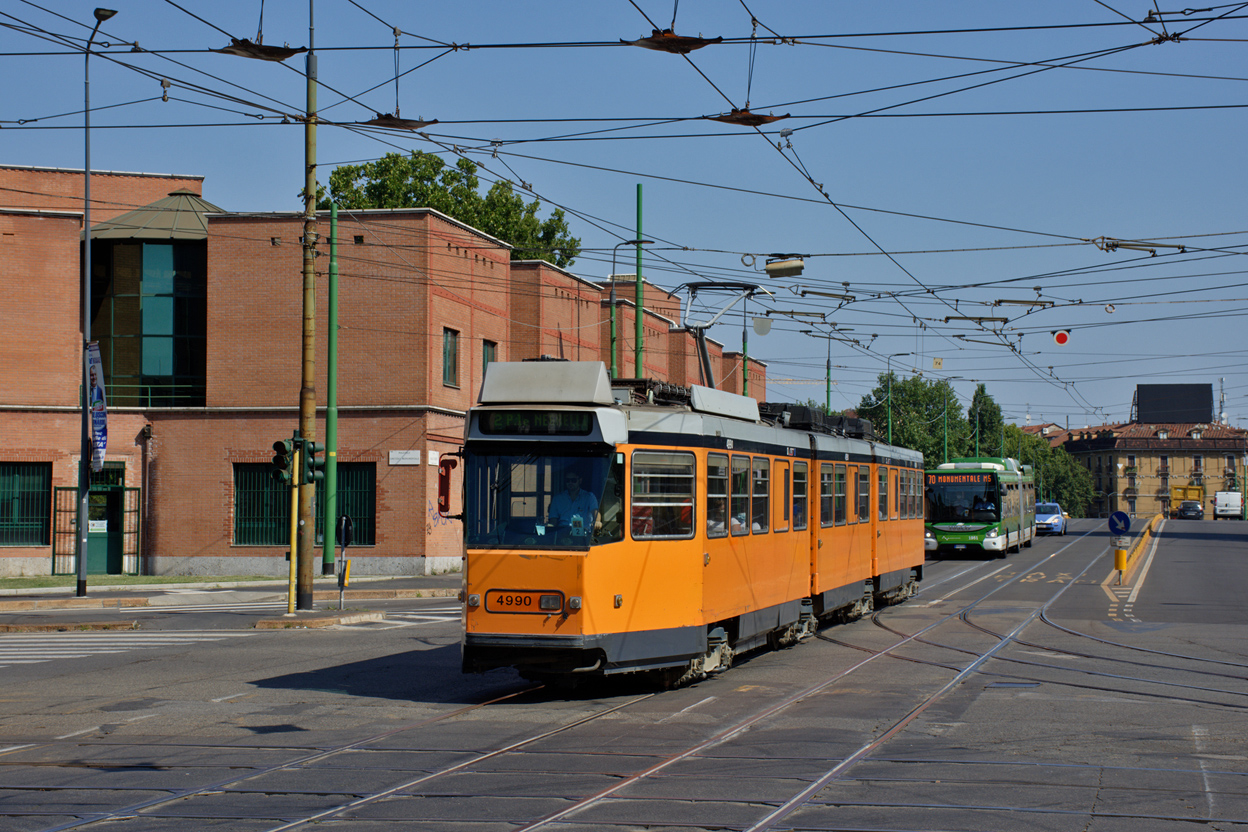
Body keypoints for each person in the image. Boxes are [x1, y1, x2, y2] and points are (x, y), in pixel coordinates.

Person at [547, 472, 601, 538]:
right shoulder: (557, 498)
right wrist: (548, 527)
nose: (570, 483)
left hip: (584, 536)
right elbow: (553, 521)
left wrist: (597, 521)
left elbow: (595, 511)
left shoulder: (589, 497)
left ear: (580, 481)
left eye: (573, 480)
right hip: (562, 535)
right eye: (568, 480)